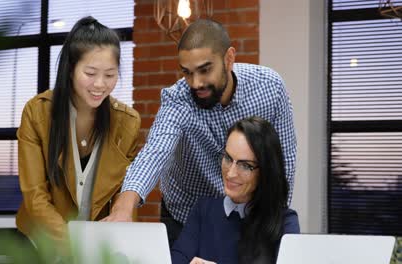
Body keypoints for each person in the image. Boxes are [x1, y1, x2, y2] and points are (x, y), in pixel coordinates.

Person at [104, 19, 296, 246]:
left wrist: (272, 217)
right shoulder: (178, 99)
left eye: (205, 70)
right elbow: (155, 152)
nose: (196, 83)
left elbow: (283, 163)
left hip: (249, 214)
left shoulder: (269, 88)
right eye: (187, 72)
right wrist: (124, 206)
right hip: (184, 215)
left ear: (229, 59)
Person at [15, 16, 140, 247]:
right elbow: (35, 197)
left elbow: (125, 197)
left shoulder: (127, 123)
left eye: (110, 75)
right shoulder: (37, 113)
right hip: (38, 243)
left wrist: (121, 246)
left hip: (94, 247)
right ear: (71, 69)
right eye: (90, 73)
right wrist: (74, 242)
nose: (100, 84)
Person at [171, 117, 300, 264]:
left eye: (245, 165)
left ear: (266, 170)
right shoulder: (203, 210)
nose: (231, 173)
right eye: (228, 158)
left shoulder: (285, 221)